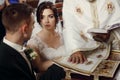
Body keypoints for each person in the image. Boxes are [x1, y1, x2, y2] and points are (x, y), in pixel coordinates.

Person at [0, 3, 65, 80]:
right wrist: (63, 66)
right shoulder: (4, 63)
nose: (34, 27)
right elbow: (39, 67)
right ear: (25, 29)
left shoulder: (26, 49)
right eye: (32, 24)